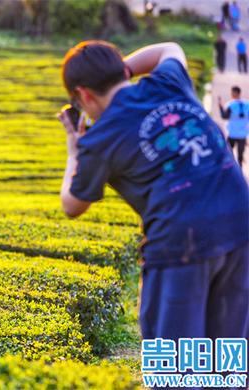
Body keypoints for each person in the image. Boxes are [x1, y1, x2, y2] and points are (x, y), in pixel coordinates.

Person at [57, 41, 249, 374]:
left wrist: (74, 151)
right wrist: (124, 70)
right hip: (239, 220)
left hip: (181, 241)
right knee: (227, 357)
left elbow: (73, 204)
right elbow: (170, 48)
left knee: (175, 366)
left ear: (83, 95)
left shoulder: (99, 138)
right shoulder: (167, 81)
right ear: (121, 71)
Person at [219, 86, 248, 167]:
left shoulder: (230, 105)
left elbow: (224, 116)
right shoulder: (247, 104)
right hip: (243, 134)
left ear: (235, 93)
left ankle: (231, 170)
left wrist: (220, 107)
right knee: (240, 156)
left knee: (228, 153)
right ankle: (240, 171)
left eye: (232, 92)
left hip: (232, 133)